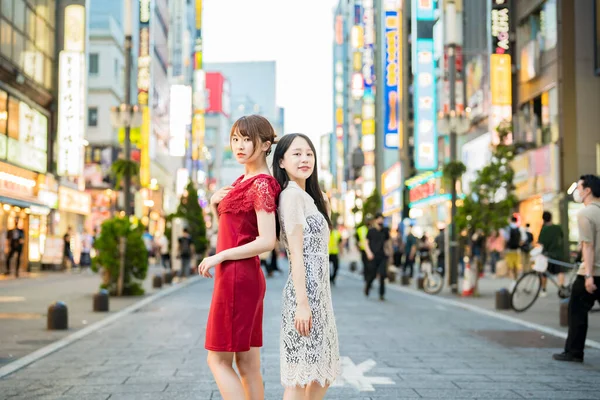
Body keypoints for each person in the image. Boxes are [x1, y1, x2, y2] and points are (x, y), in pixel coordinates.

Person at [197, 115, 280, 400]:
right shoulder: (243, 180)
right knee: (247, 364)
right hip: (240, 276)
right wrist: (214, 205)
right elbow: (232, 230)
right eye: (235, 139)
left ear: (266, 144)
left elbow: (267, 241)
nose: (240, 145)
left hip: (237, 277)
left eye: (247, 139)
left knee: (217, 360)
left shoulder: (260, 184)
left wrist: (220, 257)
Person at [272, 133, 340, 399]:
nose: (304, 159)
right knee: (300, 379)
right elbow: (296, 254)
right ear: (281, 162)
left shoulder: (310, 196)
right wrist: (302, 303)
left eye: (309, 153)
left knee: (321, 374)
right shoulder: (291, 196)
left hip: (320, 297)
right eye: (297, 154)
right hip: (305, 297)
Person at [554, 175, 600, 363]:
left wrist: (589, 276)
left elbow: (588, 247)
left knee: (577, 311)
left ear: (587, 190)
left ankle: (574, 351)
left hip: (592, 272)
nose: (577, 192)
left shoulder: (585, 213)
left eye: (579, 188)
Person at [538, 211, 566, 297]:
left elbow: (541, 243)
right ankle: (561, 288)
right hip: (558, 253)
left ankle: (544, 289)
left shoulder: (544, 229)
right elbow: (561, 237)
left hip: (548, 255)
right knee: (560, 271)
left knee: (544, 272)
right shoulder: (557, 227)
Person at [365, 213, 391, 301]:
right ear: (375, 220)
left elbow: (388, 243)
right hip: (373, 256)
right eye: (379, 219)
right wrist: (369, 253)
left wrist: (390, 253)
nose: (381, 221)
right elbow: (366, 243)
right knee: (372, 274)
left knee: (383, 274)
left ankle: (381, 294)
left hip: (382, 255)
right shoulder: (371, 231)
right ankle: (368, 286)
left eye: (382, 219)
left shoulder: (385, 231)